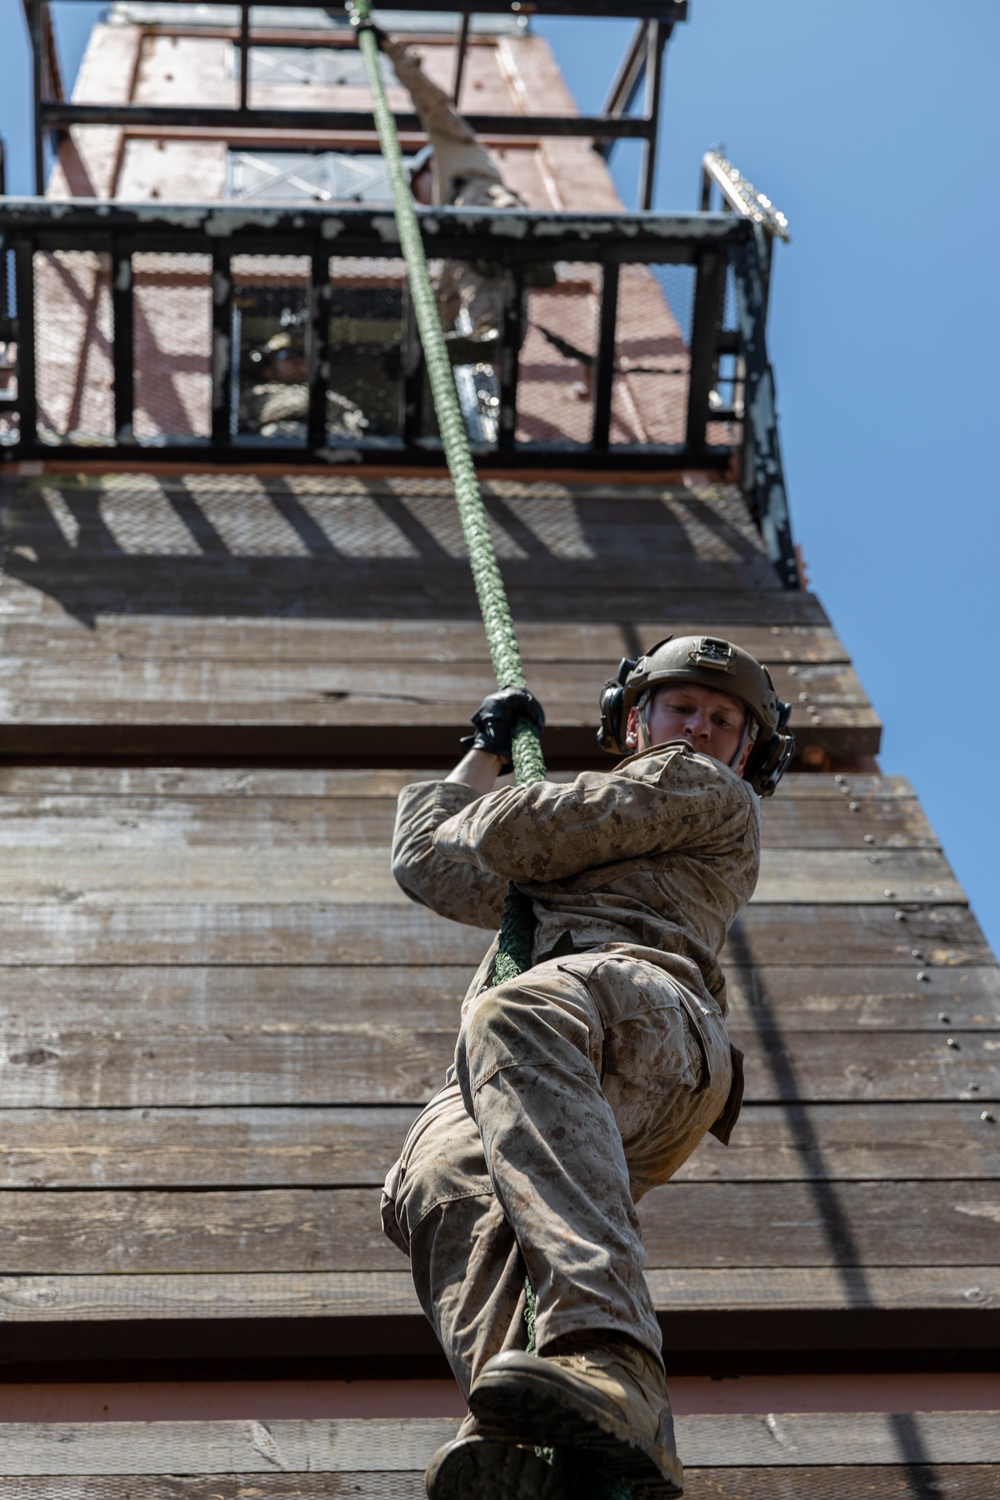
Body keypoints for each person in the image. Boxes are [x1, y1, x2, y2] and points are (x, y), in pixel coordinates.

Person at [382, 636, 794, 1500]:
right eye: (682, 708)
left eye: (725, 721)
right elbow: (426, 861)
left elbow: (518, 832)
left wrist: (503, 799)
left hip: (648, 1021)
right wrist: (484, 753)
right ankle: (544, 1431)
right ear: (634, 721)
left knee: (517, 1010)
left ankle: (609, 1359)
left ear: (746, 752)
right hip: (550, 1050)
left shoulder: (704, 792)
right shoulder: (568, 855)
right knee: (434, 1175)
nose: (703, 729)